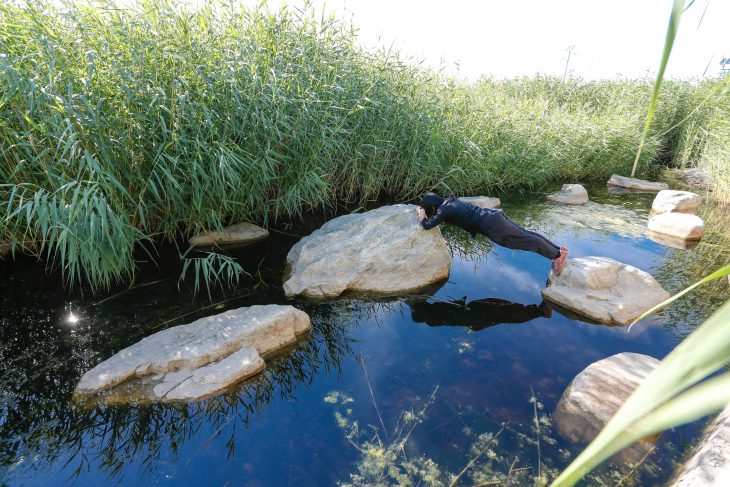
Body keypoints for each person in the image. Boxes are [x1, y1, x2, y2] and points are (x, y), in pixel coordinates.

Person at [417, 192, 568, 274]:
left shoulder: (444, 209)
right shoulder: (450, 200)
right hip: (492, 215)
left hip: (491, 224)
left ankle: (557, 256)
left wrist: (422, 216)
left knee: (524, 240)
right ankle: (559, 250)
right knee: (525, 234)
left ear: (432, 207)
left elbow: (427, 225)